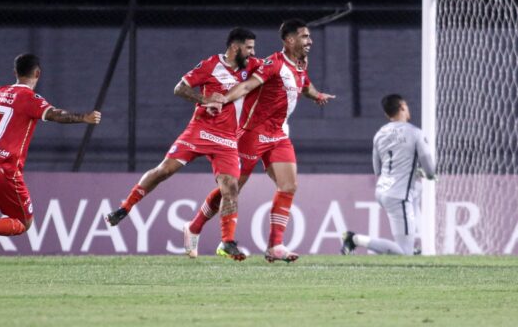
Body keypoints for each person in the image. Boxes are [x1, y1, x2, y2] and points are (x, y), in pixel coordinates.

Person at [0, 53, 101, 284]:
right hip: (4, 170)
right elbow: (57, 115)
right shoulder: (30, 99)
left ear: (15, 72)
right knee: (22, 223)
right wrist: (83, 117)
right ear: (38, 73)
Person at [183, 19, 335, 262]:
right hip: (252, 134)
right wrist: (222, 99)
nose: (310, 41)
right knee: (231, 189)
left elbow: (304, 85)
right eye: (305, 36)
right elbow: (245, 87)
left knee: (288, 186)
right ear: (290, 40)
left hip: (279, 134)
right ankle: (195, 226)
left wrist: (317, 95)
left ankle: (275, 246)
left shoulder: (299, 65)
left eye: (309, 36)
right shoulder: (273, 64)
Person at [105, 27, 262, 261]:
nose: (252, 52)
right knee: (164, 171)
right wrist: (204, 99)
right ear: (235, 47)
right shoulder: (210, 65)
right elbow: (180, 88)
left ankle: (228, 241)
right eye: (248, 48)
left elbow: (275, 65)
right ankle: (125, 207)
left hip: (227, 139)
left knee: (230, 187)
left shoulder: (252, 66)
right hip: (200, 131)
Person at [340, 94, 436, 256]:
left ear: (387, 114)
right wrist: (430, 174)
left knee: (416, 192)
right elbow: (428, 164)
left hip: (383, 191)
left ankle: (417, 248)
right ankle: (354, 239)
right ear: (403, 107)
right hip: (399, 196)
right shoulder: (415, 133)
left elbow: (377, 169)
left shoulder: (380, 134)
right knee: (404, 252)